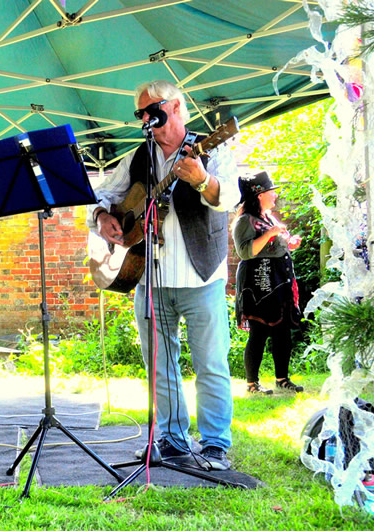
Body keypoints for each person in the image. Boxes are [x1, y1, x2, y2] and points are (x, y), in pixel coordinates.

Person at [88, 80, 240, 471]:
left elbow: (231, 198)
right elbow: (102, 195)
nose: (144, 119)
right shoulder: (138, 158)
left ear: (174, 107)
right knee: (161, 365)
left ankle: (214, 446)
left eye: (150, 110)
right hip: (151, 278)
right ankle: (171, 439)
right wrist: (104, 217)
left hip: (202, 277)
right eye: (140, 113)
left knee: (210, 363)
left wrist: (202, 179)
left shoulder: (214, 146)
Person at [232, 171, 303, 394]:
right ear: (259, 194)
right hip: (259, 285)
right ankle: (252, 384)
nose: (274, 195)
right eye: (271, 192)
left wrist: (290, 243)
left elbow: (276, 246)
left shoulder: (268, 217)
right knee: (259, 332)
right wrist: (271, 233)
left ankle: (282, 378)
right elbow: (245, 252)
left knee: (282, 332)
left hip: (279, 282)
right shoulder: (245, 221)